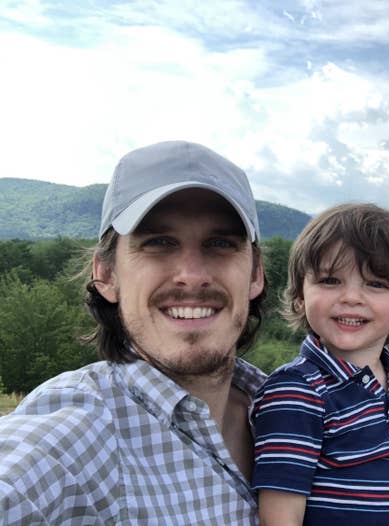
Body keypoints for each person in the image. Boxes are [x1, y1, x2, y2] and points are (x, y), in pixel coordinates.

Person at [0, 141, 267, 524]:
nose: (192, 275)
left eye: (220, 243)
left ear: (255, 274)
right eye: (159, 243)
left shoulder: (292, 406)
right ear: (106, 274)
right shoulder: (82, 431)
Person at [252, 203, 389, 525]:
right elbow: (280, 517)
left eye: (376, 284)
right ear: (300, 297)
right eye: (331, 280)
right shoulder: (298, 391)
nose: (351, 297)